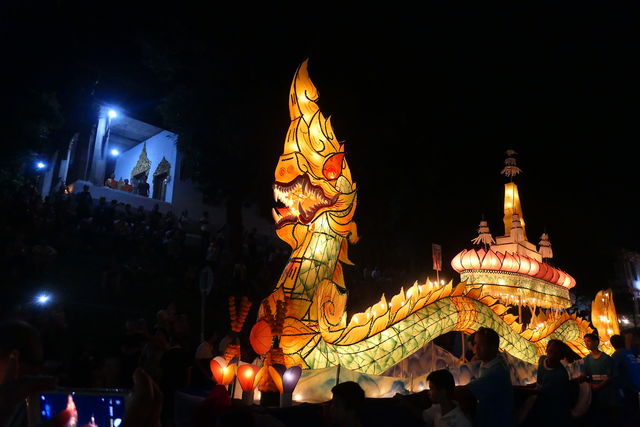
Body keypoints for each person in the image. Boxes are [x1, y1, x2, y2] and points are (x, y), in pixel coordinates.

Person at [464, 327, 514, 427]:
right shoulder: (493, 363)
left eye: (481, 345)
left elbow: (466, 391)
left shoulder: (496, 372)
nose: (476, 348)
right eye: (475, 344)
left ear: (493, 347)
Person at [531, 339, 571, 426]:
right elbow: (540, 382)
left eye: (556, 353)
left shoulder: (560, 375)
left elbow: (542, 391)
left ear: (561, 357)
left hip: (552, 409)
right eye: (551, 351)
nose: (552, 355)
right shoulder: (542, 360)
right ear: (547, 349)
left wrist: (519, 390)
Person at [581, 333, 614, 426]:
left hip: (606, 393)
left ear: (596, 342)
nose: (586, 343)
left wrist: (598, 386)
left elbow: (609, 377)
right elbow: (584, 375)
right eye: (585, 341)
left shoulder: (607, 359)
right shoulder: (586, 359)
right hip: (593, 393)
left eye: (588, 341)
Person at [610, 334, 640, 424]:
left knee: (629, 412)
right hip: (635, 385)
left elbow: (612, 372)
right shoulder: (629, 352)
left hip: (627, 387)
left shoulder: (616, 355)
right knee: (635, 409)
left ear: (613, 344)